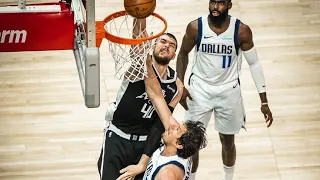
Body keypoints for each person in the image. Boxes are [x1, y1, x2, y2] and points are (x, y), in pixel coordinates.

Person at [176, 0, 274, 180]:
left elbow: (255, 64)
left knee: (228, 141)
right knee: (191, 142)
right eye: (213, 2)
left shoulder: (242, 31)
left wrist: (264, 101)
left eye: (221, 3)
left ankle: (228, 178)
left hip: (228, 91)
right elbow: (182, 54)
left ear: (229, 4)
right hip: (199, 90)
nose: (215, 7)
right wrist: (180, 86)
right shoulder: (195, 27)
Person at [97, 17, 184, 180]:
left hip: (145, 144)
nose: (167, 46)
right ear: (152, 46)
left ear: (173, 56)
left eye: (172, 45)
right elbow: (137, 43)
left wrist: (143, 162)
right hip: (117, 136)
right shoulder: (139, 68)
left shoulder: (176, 87)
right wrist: (141, 15)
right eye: (162, 41)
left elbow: (159, 126)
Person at [117, 53, 207, 180]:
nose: (173, 125)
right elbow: (156, 95)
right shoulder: (175, 149)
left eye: (178, 129)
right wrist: (147, 61)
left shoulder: (167, 174)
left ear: (179, 144)